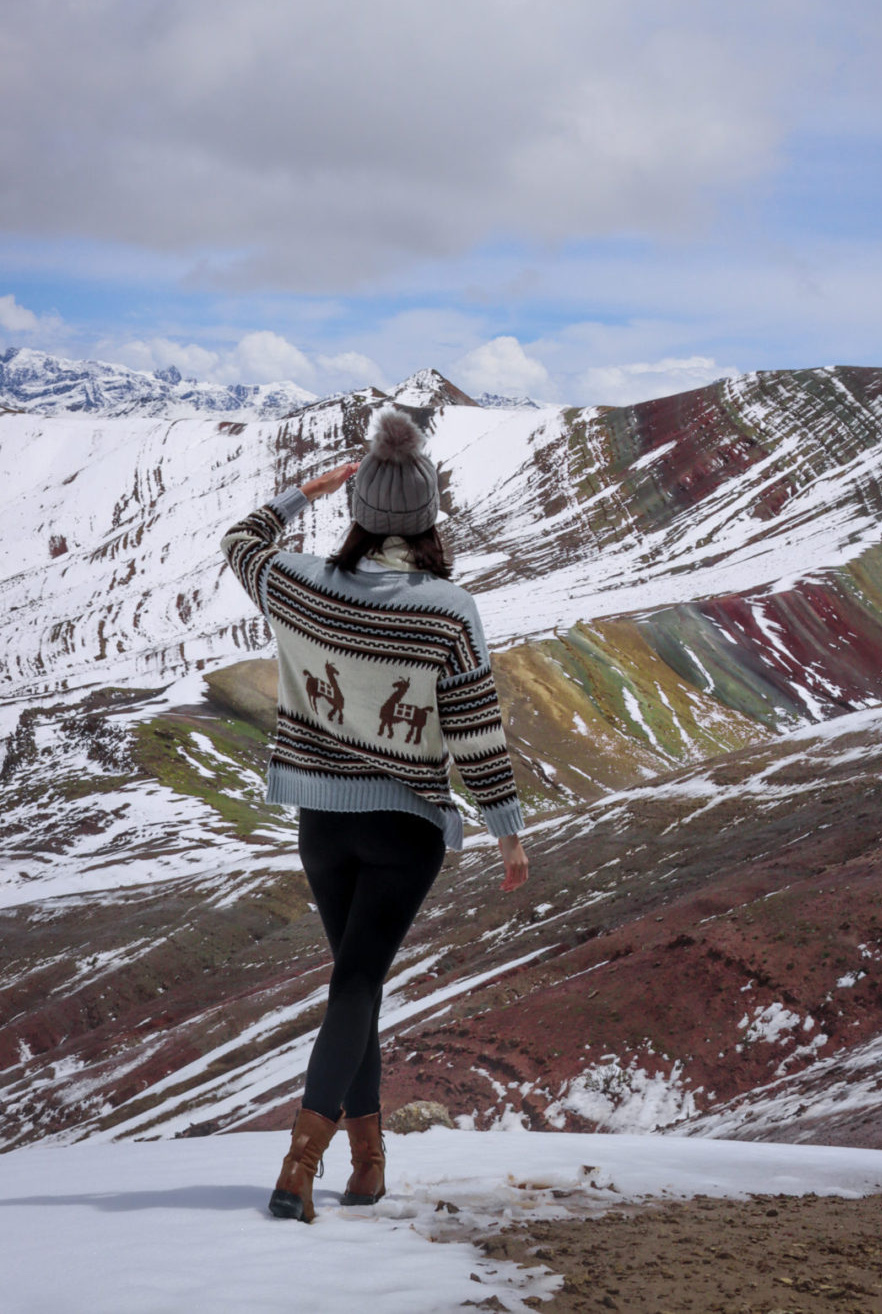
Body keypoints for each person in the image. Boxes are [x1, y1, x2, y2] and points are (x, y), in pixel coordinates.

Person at [220, 407, 528, 1223]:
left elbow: (238, 541)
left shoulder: (298, 582)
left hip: (321, 823)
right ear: (427, 520)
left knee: (356, 985)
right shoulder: (448, 609)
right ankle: (300, 1165)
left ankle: (368, 1167)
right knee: (358, 983)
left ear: (359, 511)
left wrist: (299, 493)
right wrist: (506, 826)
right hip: (404, 830)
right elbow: (473, 726)